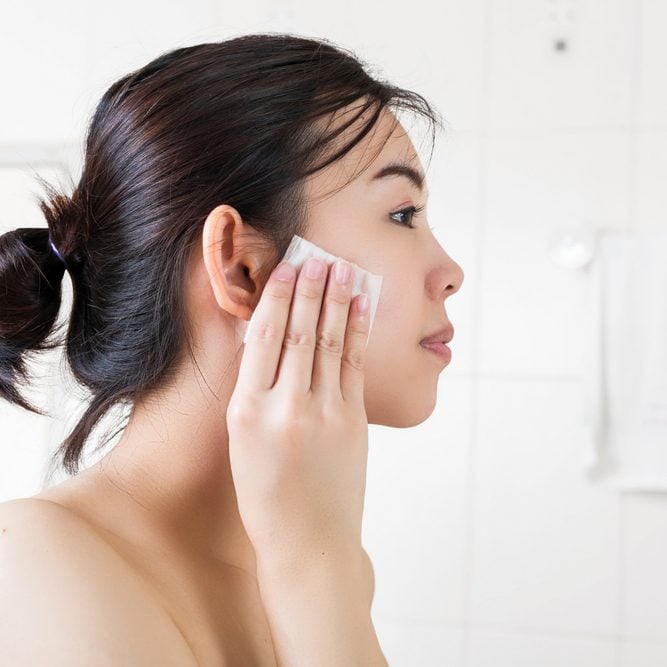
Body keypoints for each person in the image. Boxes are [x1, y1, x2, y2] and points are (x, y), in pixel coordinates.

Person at [0, 34, 464, 665]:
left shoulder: (333, 565)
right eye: (403, 215)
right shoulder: (35, 567)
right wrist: (311, 570)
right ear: (242, 267)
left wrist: (315, 565)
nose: (451, 272)